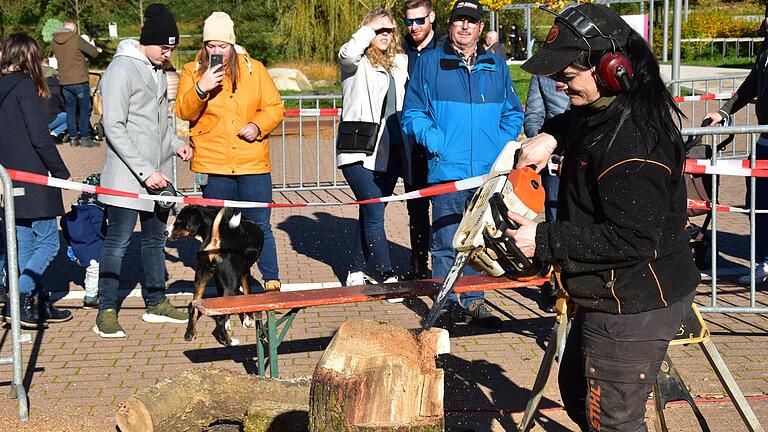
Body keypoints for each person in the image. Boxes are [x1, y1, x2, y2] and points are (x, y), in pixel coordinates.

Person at [508, 4, 700, 429]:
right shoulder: (607, 110)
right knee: (578, 392)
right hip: (608, 289)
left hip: (633, 299)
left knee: (611, 420)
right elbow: (582, 118)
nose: (558, 84)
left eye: (568, 75)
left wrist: (544, 239)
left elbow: (632, 238)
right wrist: (551, 135)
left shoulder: (635, 144)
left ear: (612, 70)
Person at [402, 0, 524, 328]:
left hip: (487, 174)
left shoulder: (496, 66)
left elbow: (513, 112)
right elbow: (412, 113)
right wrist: (437, 141)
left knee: (480, 241)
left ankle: (473, 302)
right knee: (445, 242)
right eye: (459, 21)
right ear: (450, 24)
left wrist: (499, 144)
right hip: (448, 171)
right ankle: (446, 304)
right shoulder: (429, 64)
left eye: (472, 21)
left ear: (481, 28)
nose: (465, 27)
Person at [94, 3, 193, 338]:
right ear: (147, 41)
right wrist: (144, 171)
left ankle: (157, 301)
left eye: (172, 49)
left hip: (159, 177)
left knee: (154, 239)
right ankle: (106, 309)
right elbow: (114, 126)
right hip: (127, 176)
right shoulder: (120, 70)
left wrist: (175, 143)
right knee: (117, 242)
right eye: (164, 47)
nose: (167, 54)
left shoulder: (158, 71)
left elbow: (161, 122)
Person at [175, 11, 284, 294]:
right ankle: (224, 282)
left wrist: (257, 125)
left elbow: (275, 107)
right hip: (215, 164)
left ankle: (271, 277)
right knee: (219, 228)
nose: (216, 51)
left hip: (252, 163)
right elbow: (184, 111)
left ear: (232, 45)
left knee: (259, 223)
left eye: (221, 46)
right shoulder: (191, 70)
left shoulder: (254, 69)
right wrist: (201, 88)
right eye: (210, 45)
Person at [0, 33, 73, 328]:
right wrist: (61, 172)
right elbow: (39, 137)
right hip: (33, 177)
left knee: (25, 245)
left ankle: (35, 302)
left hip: (10, 179)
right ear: (30, 58)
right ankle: (19, 298)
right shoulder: (25, 87)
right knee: (48, 244)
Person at [337, 8, 408, 291]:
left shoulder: (399, 64)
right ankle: (387, 274)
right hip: (358, 149)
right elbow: (347, 53)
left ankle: (355, 268)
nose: (384, 35)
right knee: (375, 209)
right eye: (379, 30)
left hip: (390, 151)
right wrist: (370, 28)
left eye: (388, 30)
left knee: (370, 212)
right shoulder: (357, 64)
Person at [704, 7, 768, 286]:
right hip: (765, 140)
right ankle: (764, 262)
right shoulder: (766, 46)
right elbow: (751, 83)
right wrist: (725, 111)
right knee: (757, 203)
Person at [401, 0, 446, 280]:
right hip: (411, 143)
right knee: (416, 207)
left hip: (439, 141)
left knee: (443, 207)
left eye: (419, 20)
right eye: (409, 22)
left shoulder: (443, 48)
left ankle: (447, 268)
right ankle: (418, 266)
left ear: (431, 17)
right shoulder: (399, 49)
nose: (414, 27)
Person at [524, 74, 569, 312]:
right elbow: (533, 115)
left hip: (588, 156)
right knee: (555, 220)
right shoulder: (542, 76)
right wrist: (543, 140)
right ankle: (555, 283)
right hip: (555, 161)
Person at [51, 19, 100, 148]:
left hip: (64, 81)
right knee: (84, 109)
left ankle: (73, 137)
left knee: (70, 110)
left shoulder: (54, 41)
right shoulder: (75, 38)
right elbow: (93, 52)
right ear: (73, 29)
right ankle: (84, 137)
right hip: (79, 79)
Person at [60, 173, 106, 309]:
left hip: (77, 250)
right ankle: (90, 298)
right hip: (93, 249)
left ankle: (95, 291)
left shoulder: (74, 212)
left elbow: (64, 222)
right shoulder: (95, 213)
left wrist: (69, 244)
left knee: (90, 271)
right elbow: (101, 230)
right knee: (94, 270)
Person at [42, 59, 68, 143]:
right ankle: (55, 133)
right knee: (71, 117)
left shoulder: (39, 89)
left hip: (37, 120)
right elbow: (63, 105)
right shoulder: (57, 90)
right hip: (50, 119)